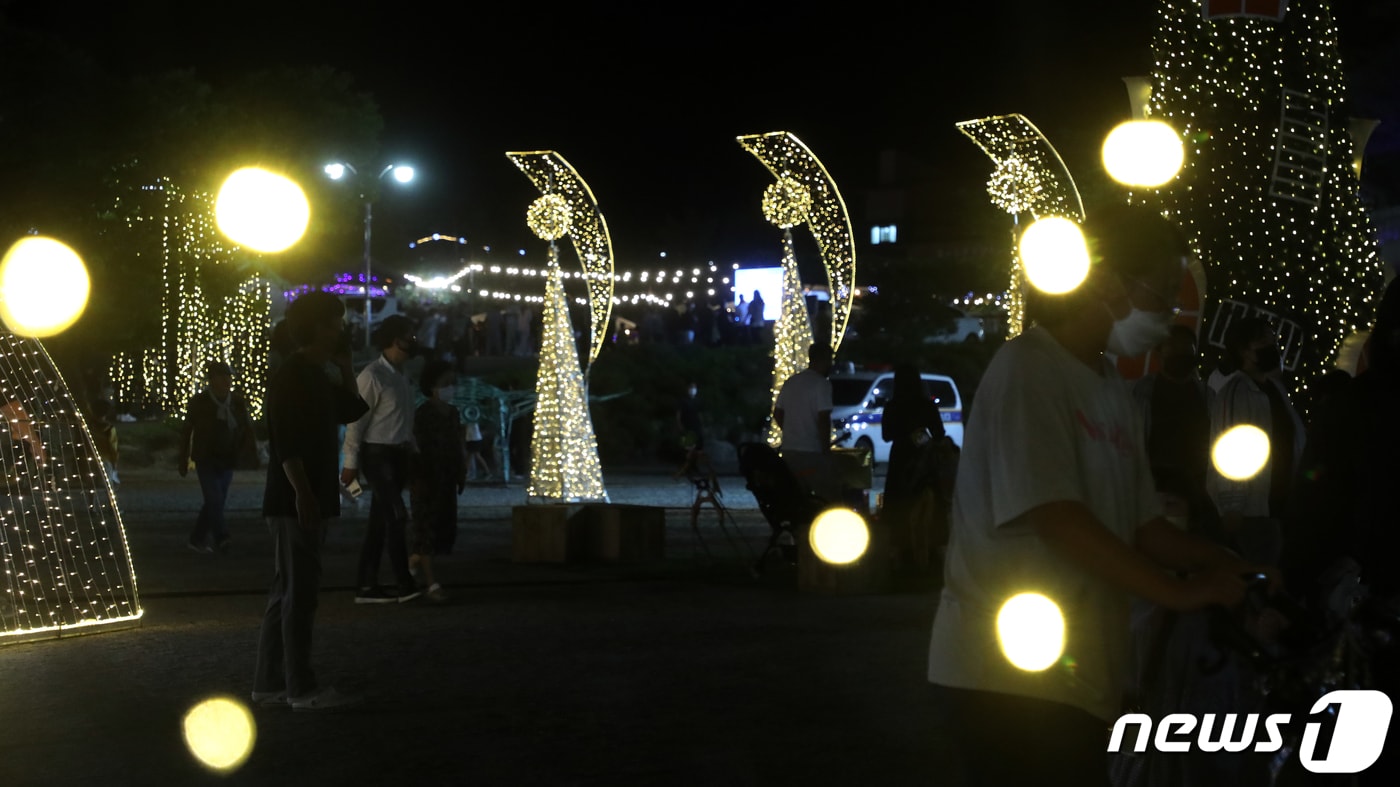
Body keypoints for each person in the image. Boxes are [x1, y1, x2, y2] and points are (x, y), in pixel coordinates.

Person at [927, 204, 1272, 786]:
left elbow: (1144, 525)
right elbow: (1057, 517)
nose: (1169, 316)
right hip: (1003, 678)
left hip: (1081, 680)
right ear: (1109, 280)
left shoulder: (1111, 386)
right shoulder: (1028, 369)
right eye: (1162, 294)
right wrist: (1177, 593)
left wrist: (1227, 565)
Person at [252, 291, 369, 711]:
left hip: (303, 495)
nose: (341, 329)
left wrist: (346, 367)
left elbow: (352, 408)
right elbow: (285, 441)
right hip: (295, 499)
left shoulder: (315, 374)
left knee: (286, 591)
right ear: (317, 327)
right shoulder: (293, 375)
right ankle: (299, 687)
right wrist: (302, 492)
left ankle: (270, 681)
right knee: (299, 595)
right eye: (335, 322)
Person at [1207, 316, 1306, 568]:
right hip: (1251, 513)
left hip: (1278, 507)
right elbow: (1230, 450)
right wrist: (1232, 506)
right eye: (1263, 342)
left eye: (1273, 341)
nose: (1272, 347)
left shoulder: (1275, 389)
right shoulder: (1236, 392)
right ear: (1244, 350)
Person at [341, 314, 422, 605]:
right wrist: (350, 462)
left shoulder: (400, 376)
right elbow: (356, 421)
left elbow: (404, 419)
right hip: (378, 456)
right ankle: (404, 583)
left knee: (380, 522)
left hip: (397, 454)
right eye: (408, 337)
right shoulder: (373, 376)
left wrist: (413, 450)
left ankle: (367, 584)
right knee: (396, 516)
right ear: (394, 340)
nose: (412, 343)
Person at [178, 361, 255, 554]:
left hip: (228, 457)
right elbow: (187, 431)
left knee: (216, 501)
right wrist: (183, 458)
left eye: (228, 376)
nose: (226, 381)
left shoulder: (236, 402)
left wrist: (249, 453)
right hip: (206, 457)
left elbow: (246, 428)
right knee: (214, 498)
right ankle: (222, 537)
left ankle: (197, 538)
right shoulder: (199, 402)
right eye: (221, 377)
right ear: (211, 380)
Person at [880, 363, 947, 570]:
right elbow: (939, 433)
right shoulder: (927, 406)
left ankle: (900, 550)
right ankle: (931, 549)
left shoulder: (892, 406)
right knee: (930, 506)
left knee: (900, 505)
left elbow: (886, 435)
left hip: (900, 460)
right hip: (924, 461)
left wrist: (903, 434)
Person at [408, 360, 463, 603]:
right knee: (426, 529)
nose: (451, 387)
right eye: (445, 383)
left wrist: (460, 472)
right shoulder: (423, 414)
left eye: (453, 382)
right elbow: (416, 448)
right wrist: (416, 477)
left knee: (443, 529)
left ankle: (414, 561)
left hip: (446, 479)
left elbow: (456, 445)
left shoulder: (453, 413)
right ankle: (431, 584)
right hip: (426, 478)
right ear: (432, 386)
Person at [774, 342, 836, 500]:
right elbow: (823, 419)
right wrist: (825, 449)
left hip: (789, 450)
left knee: (796, 497)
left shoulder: (791, 382)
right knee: (825, 497)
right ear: (824, 359)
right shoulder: (822, 384)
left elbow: (778, 413)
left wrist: (791, 430)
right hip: (812, 451)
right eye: (830, 359)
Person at [674, 380, 705, 478]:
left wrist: (702, 425)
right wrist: (680, 425)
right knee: (687, 448)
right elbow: (678, 414)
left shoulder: (698, 401)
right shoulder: (683, 401)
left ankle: (694, 466)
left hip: (697, 427)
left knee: (697, 448)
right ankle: (686, 468)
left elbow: (700, 414)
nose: (693, 390)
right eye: (691, 387)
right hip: (687, 427)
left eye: (694, 387)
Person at [89, 399, 118, 485]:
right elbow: (113, 447)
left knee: (92, 486)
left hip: (89, 459)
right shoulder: (109, 429)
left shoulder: (88, 427)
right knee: (107, 485)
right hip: (105, 460)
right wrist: (114, 462)